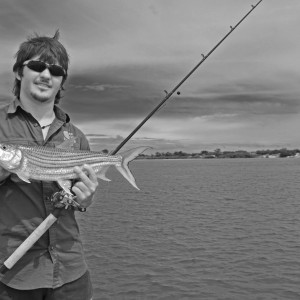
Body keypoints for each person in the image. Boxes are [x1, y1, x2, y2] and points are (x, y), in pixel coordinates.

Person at [0, 30, 98, 300]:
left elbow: (80, 200)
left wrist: (86, 197)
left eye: (55, 70)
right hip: (12, 274)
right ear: (20, 72)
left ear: (62, 81)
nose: (46, 75)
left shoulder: (76, 136)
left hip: (71, 271)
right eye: (36, 66)